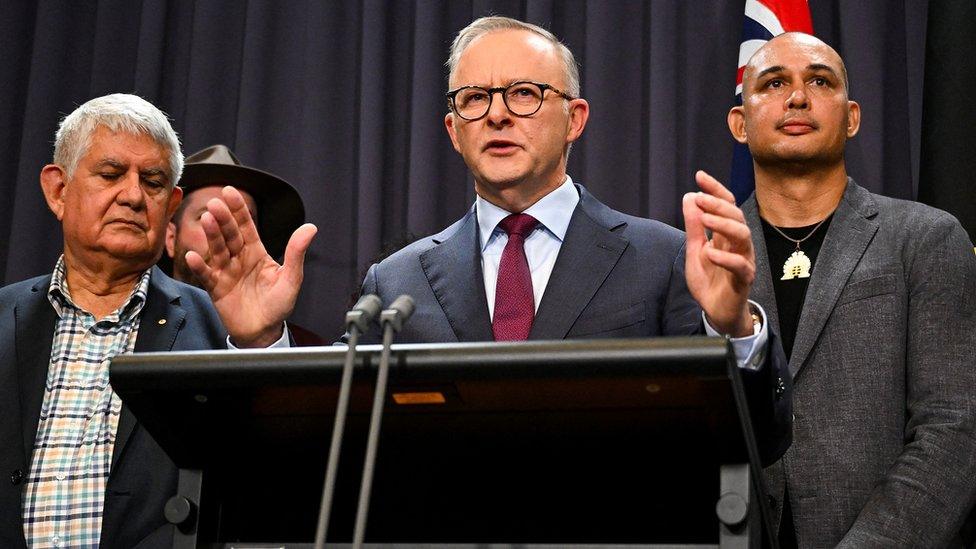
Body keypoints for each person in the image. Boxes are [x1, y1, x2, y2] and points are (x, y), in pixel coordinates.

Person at [0, 94, 315, 548]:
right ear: (58, 190)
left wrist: (261, 341)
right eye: (110, 174)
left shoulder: (216, 328)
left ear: (169, 205)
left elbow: (273, 489)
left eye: (152, 182)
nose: (131, 195)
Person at [728, 32, 976, 547]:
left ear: (852, 116)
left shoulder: (927, 237)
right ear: (739, 123)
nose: (797, 97)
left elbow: (955, 427)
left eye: (819, 81)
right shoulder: (701, 255)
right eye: (773, 83)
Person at [164, 144, 325, 345]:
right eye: (208, 217)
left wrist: (263, 340)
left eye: (242, 220)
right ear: (170, 238)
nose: (225, 230)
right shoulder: (137, 330)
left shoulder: (306, 348)